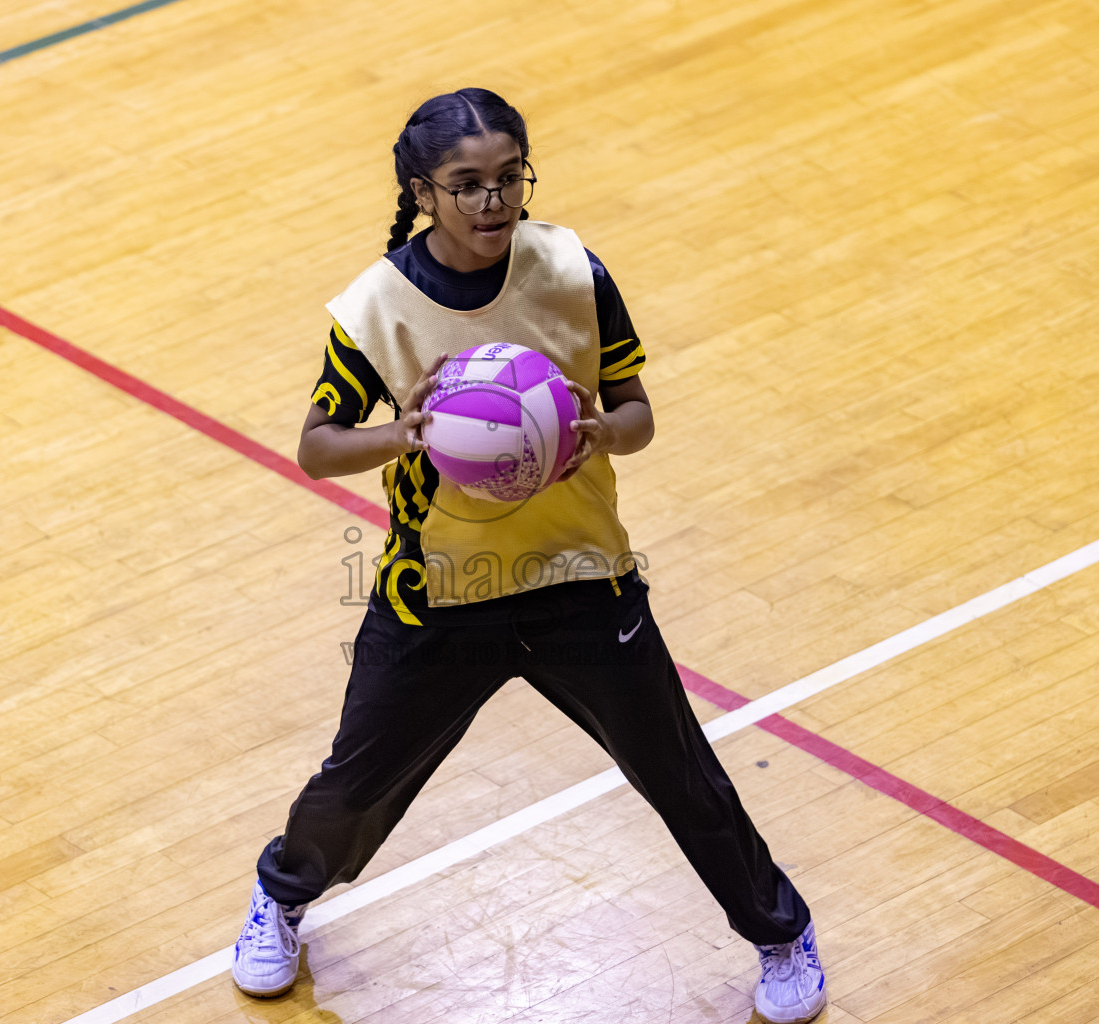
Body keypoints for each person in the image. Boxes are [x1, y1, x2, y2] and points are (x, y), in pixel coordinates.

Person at [232, 88, 827, 1024]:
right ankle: (282, 897)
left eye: (510, 178)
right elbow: (317, 448)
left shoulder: (573, 271)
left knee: (680, 776)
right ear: (423, 193)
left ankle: (781, 934)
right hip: (441, 591)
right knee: (355, 786)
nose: (492, 201)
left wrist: (603, 432)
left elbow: (637, 413)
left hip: (579, 577)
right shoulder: (375, 307)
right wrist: (404, 434)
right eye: (466, 184)